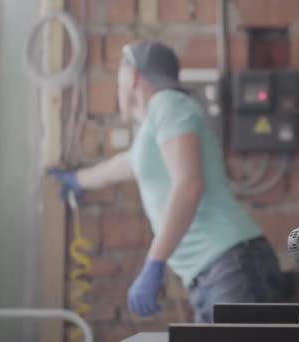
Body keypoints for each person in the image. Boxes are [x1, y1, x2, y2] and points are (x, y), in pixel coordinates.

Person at [49, 40, 285, 323]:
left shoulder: (168, 103)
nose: (117, 87)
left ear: (133, 76)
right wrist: (77, 180)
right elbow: (123, 165)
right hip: (218, 271)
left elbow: (189, 184)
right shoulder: (152, 127)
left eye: (119, 78)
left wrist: (155, 261)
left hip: (230, 266)